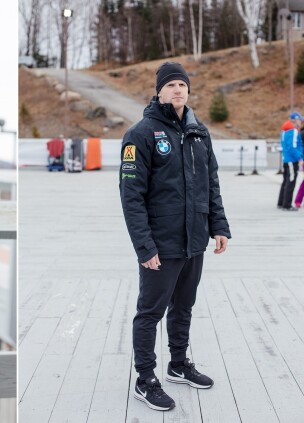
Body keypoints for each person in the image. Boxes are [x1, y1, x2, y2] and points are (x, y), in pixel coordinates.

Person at [119, 62, 231, 412]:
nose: (178, 90)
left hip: (194, 240)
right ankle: (145, 378)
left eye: (182, 84)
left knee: (184, 307)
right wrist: (144, 246)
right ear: (159, 92)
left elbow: (210, 184)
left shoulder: (199, 133)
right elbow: (130, 196)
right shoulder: (141, 134)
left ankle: (178, 364)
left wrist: (219, 225)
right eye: (170, 85)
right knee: (149, 312)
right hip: (160, 244)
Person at [278, 115, 302, 211]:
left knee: (285, 182)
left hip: (286, 159)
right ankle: (287, 205)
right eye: (301, 121)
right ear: (296, 120)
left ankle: (281, 202)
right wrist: (299, 158)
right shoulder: (294, 131)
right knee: (291, 182)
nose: (301, 123)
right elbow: (293, 147)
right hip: (292, 160)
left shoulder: (284, 131)